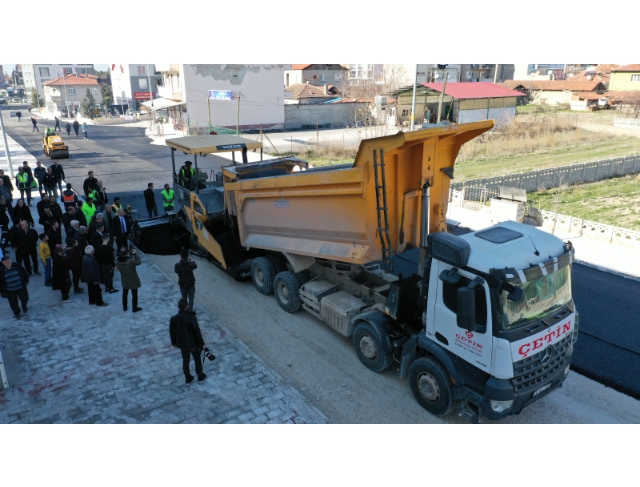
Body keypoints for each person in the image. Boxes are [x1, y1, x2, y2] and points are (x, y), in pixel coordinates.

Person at [169, 298, 207, 384]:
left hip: (182, 344)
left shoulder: (173, 318)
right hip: (193, 343)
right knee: (197, 359)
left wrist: (174, 342)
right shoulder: (191, 317)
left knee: (185, 360)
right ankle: (200, 376)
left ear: (178, 307)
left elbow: (172, 332)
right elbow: (197, 332)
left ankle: (188, 378)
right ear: (187, 306)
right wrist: (202, 344)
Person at [115, 246, 142, 312]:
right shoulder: (131, 261)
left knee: (125, 293)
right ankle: (134, 307)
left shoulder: (117, 260)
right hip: (133, 279)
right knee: (134, 294)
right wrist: (135, 254)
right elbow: (139, 262)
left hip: (124, 279)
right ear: (127, 253)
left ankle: (125, 307)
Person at [175, 249, 197, 314]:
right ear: (187, 256)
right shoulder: (190, 264)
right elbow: (195, 265)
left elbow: (176, 270)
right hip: (190, 284)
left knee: (184, 298)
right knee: (191, 298)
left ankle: (184, 310)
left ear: (181, 256)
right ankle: (190, 311)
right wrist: (189, 260)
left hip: (182, 284)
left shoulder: (177, 265)